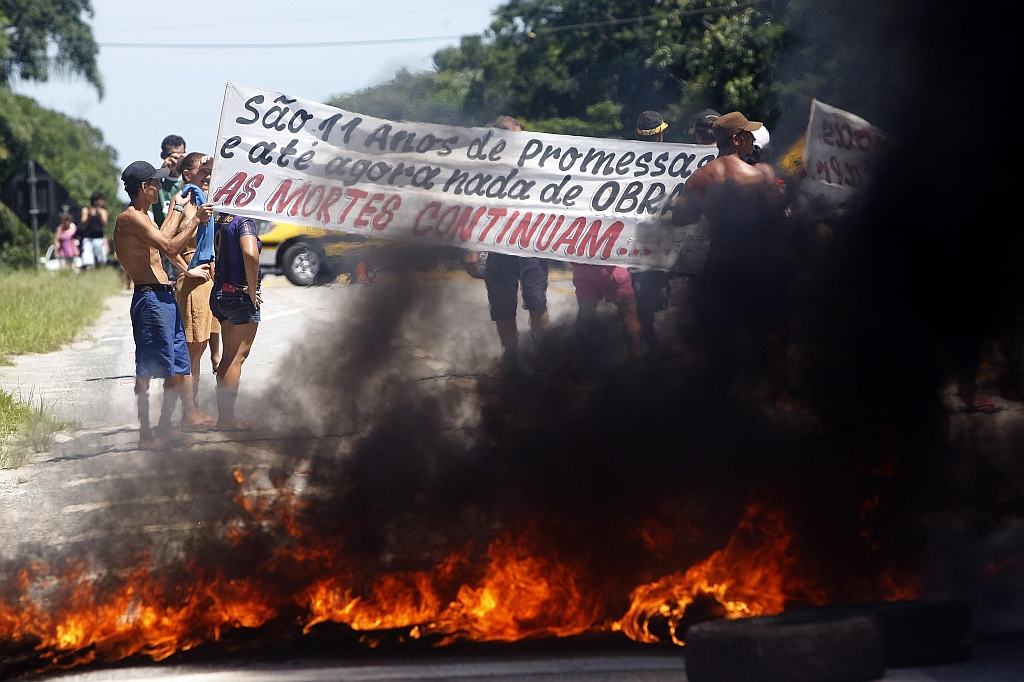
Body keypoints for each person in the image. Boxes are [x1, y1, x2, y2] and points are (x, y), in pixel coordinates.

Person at [673, 112, 793, 410]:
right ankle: (780, 395)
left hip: (721, 262)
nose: (753, 141)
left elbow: (680, 218)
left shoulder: (698, 178)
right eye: (749, 136)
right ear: (736, 140)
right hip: (758, 261)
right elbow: (775, 215)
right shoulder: (761, 173)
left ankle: (723, 399)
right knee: (772, 329)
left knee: (721, 331)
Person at [113, 160, 212, 448]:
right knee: (147, 369)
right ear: (144, 187)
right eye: (155, 183)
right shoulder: (129, 218)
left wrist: (178, 210)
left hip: (164, 296)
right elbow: (169, 246)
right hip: (150, 298)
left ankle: (165, 428)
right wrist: (194, 219)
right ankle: (146, 435)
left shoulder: (145, 217)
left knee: (179, 367)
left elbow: (163, 243)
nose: (160, 186)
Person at [464, 116, 550, 374]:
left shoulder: (537, 164)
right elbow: (472, 208)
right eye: (514, 136)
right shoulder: (482, 169)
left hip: (532, 246)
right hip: (499, 248)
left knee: (537, 303)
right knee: (503, 307)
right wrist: (471, 247)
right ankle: (512, 358)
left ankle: (545, 357)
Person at [170, 153, 220, 430]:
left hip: (208, 279)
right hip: (192, 281)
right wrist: (186, 270)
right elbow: (167, 243)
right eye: (203, 170)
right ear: (187, 175)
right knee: (190, 351)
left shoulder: (205, 199)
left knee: (199, 347)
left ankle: (192, 407)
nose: (209, 175)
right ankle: (187, 411)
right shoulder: (184, 202)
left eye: (211, 171)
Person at [210, 211, 262, 431]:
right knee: (235, 358)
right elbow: (251, 254)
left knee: (228, 356)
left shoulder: (220, 218)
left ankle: (224, 416)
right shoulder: (244, 221)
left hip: (219, 292)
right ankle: (227, 418)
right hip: (239, 294)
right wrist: (252, 290)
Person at [631, 111, 673, 354]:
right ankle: (651, 341)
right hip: (657, 238)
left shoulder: (622, 159)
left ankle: (648, 338)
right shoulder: (675, 160)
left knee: (642, 292)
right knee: (650, 291)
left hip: (637, 238)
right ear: (660, 135)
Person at [79, 192, 108, 269]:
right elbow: (83, 225)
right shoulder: (86, 210)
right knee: (86, 260)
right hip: (88, 238)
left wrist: (100, 214)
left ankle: (97, 275)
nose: (103, 202)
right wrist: (89, 215)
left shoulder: (103, 211)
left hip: (99, 238)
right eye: (101, 200)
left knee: (100, 260)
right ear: (95, 200)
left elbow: (105, 225)